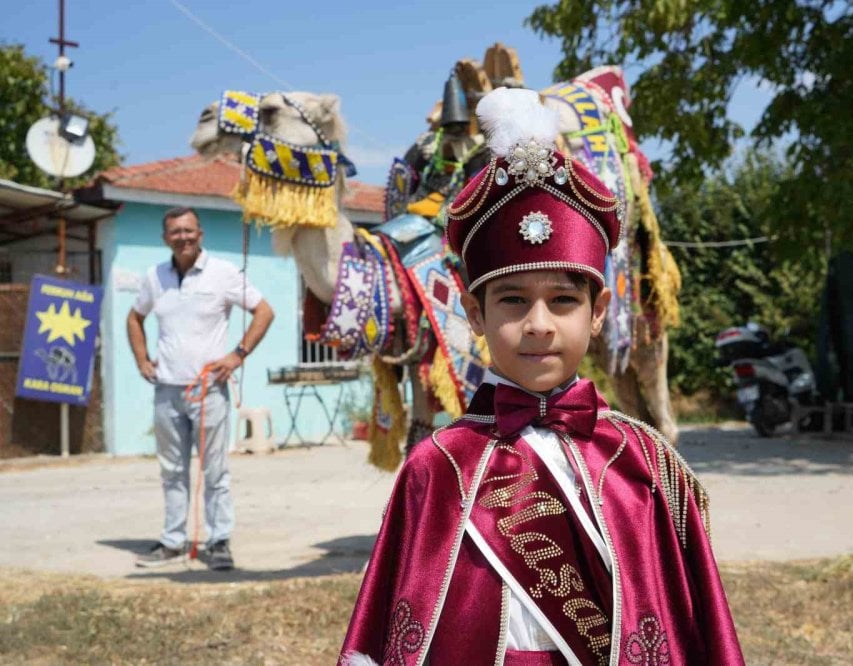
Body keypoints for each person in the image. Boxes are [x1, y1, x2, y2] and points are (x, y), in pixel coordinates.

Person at [339, 89, 743, 664]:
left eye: (562, 300)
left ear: (597, 310)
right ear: (474, 313)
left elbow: (693, 623)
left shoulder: (647, 463)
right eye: (511, 301)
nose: (538, 325)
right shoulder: (433, 468)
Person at [126, 206, 274, 570]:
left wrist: (238, 354)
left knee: (215, 471)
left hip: (209, 391)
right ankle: (173, 541)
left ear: (200, 234)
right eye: (175, 232)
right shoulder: (154, 276)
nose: (183, 237)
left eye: (189, 231)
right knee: (172, 470)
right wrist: (142, 358)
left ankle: (219, 541)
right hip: (166, 390)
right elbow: (135, 316)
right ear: (165, 238)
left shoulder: (223, 274)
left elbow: (264, 311)